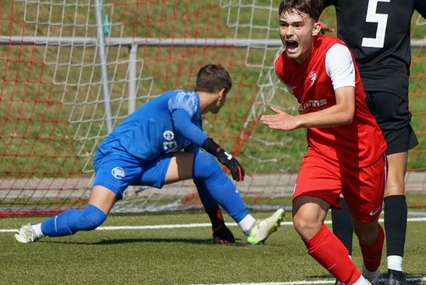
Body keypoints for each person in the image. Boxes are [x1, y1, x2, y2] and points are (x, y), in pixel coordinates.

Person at [316, 0, 426, 285]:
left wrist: (320, 25)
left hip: (350, 90)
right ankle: (395, 272)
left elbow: (306, 7)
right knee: (394, 179)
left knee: (347, 176)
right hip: (392, 89)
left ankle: (344, 271)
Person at [14, 65, 283, 245]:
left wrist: (217, 224)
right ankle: (35, 230)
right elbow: (181, 125)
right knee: (93, 218)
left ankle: (250, 227)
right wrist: (222, 152)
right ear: (221, 94)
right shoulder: (183, 99)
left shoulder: (196, 123)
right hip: (118, 157)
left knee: (202, 163)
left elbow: (201, 174)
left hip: (148, 165)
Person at [260, 0, 387, 285]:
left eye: (297, 25)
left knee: (366, 229)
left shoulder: (336, 53)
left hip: (361, 150)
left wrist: (297, 120)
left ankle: (371, 276)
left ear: (316, 28)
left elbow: (346, 111)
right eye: (284, 24)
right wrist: (304, 122)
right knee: (304, 220)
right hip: (322, 150)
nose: (288, 32)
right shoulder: (282, 66)